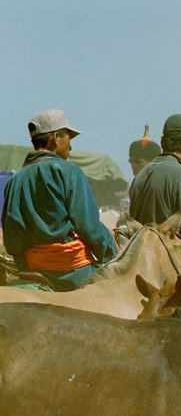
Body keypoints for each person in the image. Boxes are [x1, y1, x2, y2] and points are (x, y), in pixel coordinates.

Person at [2, 109, 117, 291]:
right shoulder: (70, 172)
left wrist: (26, 265)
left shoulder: (15, 180)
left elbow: (12, 238)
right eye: (68, 138)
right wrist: (112, 254)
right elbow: (89, 227)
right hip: (73, 271)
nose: (70, 146)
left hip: (32, 270)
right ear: (56, 137)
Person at [128, 114, 181, 254]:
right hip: (164, 258)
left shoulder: (140, 175)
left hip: (139, 255)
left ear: (163, 142)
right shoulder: (180, 174)